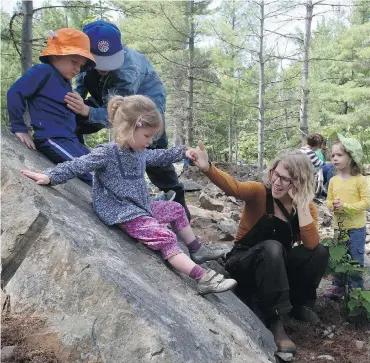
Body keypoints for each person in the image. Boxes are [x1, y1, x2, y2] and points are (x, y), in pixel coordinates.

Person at [21, 95, 236, 295]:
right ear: (128, 128)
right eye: (147, 135)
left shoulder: (138, 151)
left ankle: (196, 250)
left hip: (141, 206)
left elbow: (158, 155)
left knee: (176, 209)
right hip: (122, 212)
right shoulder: (107, 153)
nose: (150, 141)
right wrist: (50, 176)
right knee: (166, 236)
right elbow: (79, 165)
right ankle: (202, 277)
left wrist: (183, 152)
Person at [189, 143, 329, 354]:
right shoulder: (259, 193)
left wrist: (301, 206)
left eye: (285, 179)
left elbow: (310, 245)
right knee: (272, 248)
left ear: (298, 183)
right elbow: (233, 187)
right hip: (244, 262)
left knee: (320, 252)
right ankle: (275, 321)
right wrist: (207, 167)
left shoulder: (306, 208)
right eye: (275, 173)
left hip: (274, 267)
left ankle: (299, 305)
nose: (276, 181)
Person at [64, 20, 190, 219]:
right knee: (72, 118)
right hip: (105, 99)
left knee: (153, 156)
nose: (104, 68)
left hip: (143, 110)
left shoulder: (128, 71)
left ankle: (181, 215)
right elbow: (80, 86)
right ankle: (74, 156)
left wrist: (88, 111)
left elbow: (120, 115)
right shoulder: (84, 63)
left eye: (109, 62)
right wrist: (75, 102)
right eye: (97, 62)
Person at [7, 28, 96, 184]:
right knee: (89, 171)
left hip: (70, 139)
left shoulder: (65, 81)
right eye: (74, 62)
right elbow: (15, 92)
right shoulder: (43, 71)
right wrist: (19, 127)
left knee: (99, 164)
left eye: (81, 65)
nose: (77, 69)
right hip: (52, 138)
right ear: (56, 55)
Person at [323, 134, 370, 298]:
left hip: (356, 229)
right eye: (333, 155)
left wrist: (347, 207)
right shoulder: (333, 181)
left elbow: (366, 203)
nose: (334, 158)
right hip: (339, 227)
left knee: (356, 259)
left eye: (339, 155)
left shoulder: (359, 180)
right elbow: (328, 200)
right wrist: (333, 206)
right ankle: (338, 287)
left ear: (351, 158)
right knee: (338, 256)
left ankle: (355, 291)